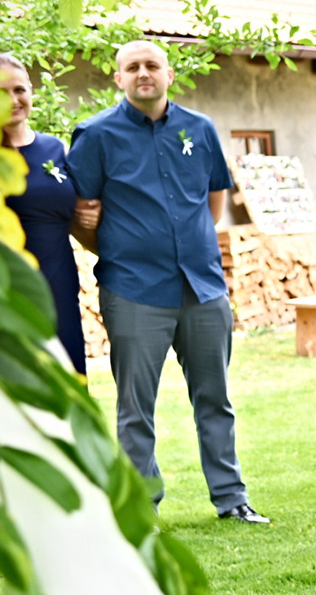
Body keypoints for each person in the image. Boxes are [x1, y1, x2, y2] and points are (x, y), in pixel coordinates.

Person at [66, 39, 268, 524]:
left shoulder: (199, 129)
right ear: (118, 78)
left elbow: (214, 200)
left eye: (152, 65)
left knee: (215, 399)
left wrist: (190, 246)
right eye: (133, 67)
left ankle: (231, 499)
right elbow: (80, 215)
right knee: (136, 407)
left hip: (203, 287)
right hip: (133, 290)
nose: (143, 73)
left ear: (168, 74)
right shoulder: (95, 135)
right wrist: (121, 250)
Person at [0, 53, 85, 375]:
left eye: (19, 90)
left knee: (68, 383)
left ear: (31, 90)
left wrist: (88, 214)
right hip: (3, 291)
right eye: (0, 92)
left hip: (59, 288)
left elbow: (69, 209)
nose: (13, 100)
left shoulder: (54, 149)